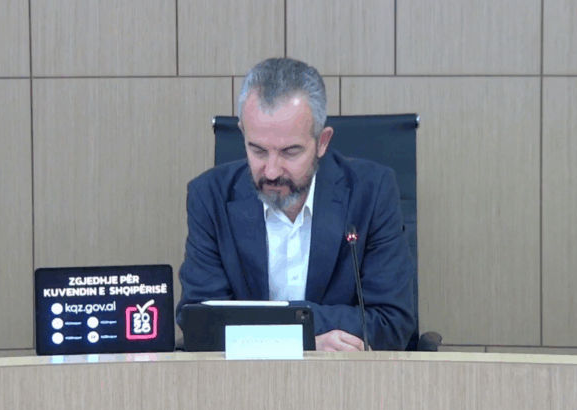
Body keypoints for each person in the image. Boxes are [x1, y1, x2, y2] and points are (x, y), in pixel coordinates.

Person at [176, 57, 416, 351]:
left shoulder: (371, 192)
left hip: (342, 375)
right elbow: (200, 323)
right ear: (243, 134)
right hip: (242, 377)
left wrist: (270, 331)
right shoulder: (210, 196)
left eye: (290, 152)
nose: (271, 171)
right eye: (258, 150)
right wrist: (303, 340)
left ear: (322, 142)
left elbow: (391, 322)